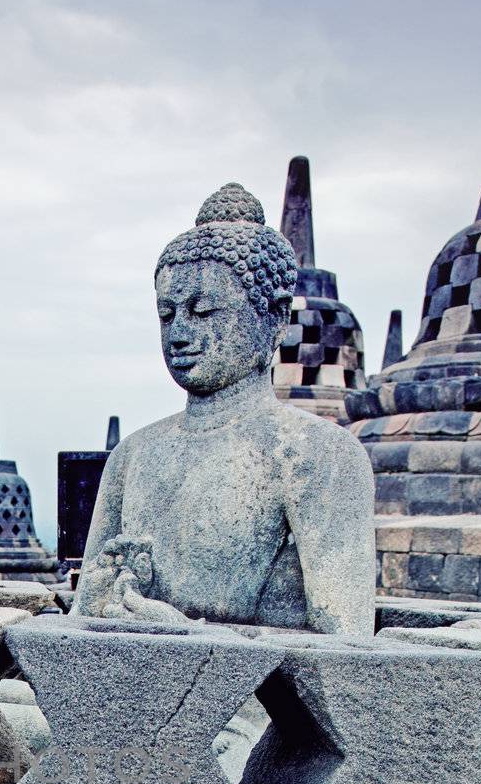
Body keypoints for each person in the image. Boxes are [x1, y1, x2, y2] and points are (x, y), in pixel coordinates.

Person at [74, 183, 375, 636]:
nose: (178, 334)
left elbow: (348, 648)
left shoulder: (318, 456)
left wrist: (189, 634)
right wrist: (101, 600)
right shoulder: (133, 455)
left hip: (254, 706)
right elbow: (79, 623)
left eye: (203, 311)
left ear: (273, 319)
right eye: (167, 314)